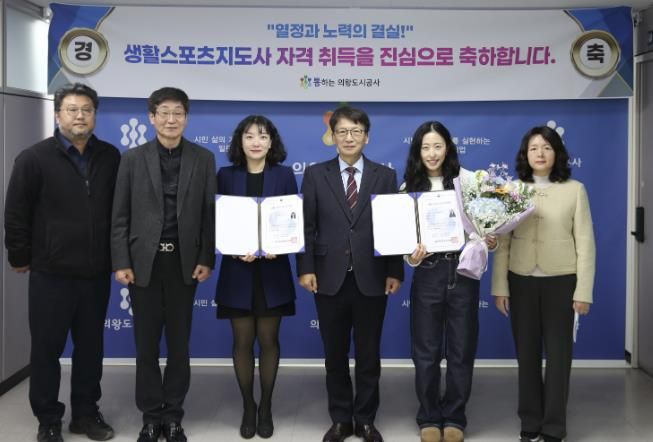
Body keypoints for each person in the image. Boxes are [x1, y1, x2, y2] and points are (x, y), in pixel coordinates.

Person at [4, 83, 119, 442]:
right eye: (72, 109)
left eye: (86, 109)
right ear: (58, 115)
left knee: (90, 349)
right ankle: (48, 418)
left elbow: (120, 212)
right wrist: (19, 255)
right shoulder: (33, 158)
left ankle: (85, 414)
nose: (79, 116)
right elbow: (16, 212)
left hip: (95, 272)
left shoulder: (110, 157)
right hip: (50, 273)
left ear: (94, 115)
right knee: (46, 349)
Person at [111, 87, 216, 442]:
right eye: (164, 113)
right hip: (143, 264)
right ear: (151, 117)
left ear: (186, 117)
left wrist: (205, 258)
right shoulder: (132, 159)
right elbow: (120, 215)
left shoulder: (203, 159)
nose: (171, 120)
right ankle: (150, 416)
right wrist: (121, 260)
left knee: (179, 345)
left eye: (178, 113)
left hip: (184, 264)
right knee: (146, 346)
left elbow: (208, 215)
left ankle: (173, 416)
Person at [296, 106, 404, 442]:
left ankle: (366, 419)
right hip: (328, 277)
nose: (349, 137)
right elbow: (307, 226)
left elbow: (392, 228)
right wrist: (306, 268)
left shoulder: (384, 175)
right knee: (335, 354)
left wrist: (395, 270)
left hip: (372, 277)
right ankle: (341, 419)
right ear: (333, 136)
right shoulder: (316, 174)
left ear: (366, 137)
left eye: (356, 131)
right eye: (342, 131)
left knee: (369, 355)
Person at [491, 126, 596, 442]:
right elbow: (503, 243)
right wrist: (500, 287)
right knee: (527, 357)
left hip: (561, 282)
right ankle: (530, 422)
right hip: (520, 280)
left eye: (547, 147)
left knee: (559, 358)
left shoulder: (574, 190)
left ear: (557, 153)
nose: (540, 153)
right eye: (534, 148)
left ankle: (553, 427)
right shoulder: (510, 190)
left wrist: (583, 290)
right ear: (525, 154)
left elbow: (586, 243)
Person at [402, 121, 495, 442]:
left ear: (448, 148)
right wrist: (412, 257)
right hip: (428, 273)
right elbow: (404, 244)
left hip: (463, 274)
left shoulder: (468, 182)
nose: (432, 153)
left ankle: (455, 415)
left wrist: (489, 239)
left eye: (437, 146)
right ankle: (429, 415)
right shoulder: (409, 187)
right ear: (417, 151)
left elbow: (485, 229)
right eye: (425, 147)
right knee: (425, 351)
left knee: (461, 348)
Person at [214, 115, 297, 439]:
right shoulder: (225, 175)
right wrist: (234, 249)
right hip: (238, 271)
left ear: (271, 142)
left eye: (262, 136)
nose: (256, 142)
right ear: (240, 141)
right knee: (242, 342)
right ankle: (248, 406)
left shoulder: (284, 175)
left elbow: (293, 221)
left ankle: (266, 407)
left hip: (273, 272)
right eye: (249, 136)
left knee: (269, 341)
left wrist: (282, 246)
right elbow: (217, 222)